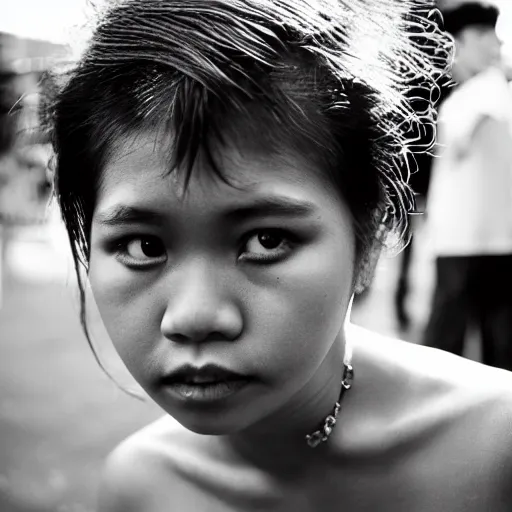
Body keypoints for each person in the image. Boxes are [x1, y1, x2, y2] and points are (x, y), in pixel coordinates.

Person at [46, 1, 512, 510]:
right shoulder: (138, 489)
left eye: (266, 241)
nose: (195, 317)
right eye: (144, 246)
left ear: (370, 239)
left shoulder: (496, 447)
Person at [424, 2, 512, 370]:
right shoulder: (475, 94)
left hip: (473, 245)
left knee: (448, 354)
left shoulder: (486, 91)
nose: (495, 46)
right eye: (485, 36)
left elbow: (461, 142)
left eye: (494, 36)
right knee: (493, 352)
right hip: (474, 242)